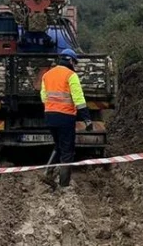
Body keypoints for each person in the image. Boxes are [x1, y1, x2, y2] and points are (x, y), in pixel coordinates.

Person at [40, 48, 93, 187]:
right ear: (70, 60)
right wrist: (87, 119)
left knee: (58, 146)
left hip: (49, 116)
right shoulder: (71, 75)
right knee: (67, 150)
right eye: (74, 62)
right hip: (66, 117)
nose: (74, 65)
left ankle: (47, 172)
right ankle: (64, 185)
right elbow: (78, 98)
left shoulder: (47, 75)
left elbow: (44, 97)